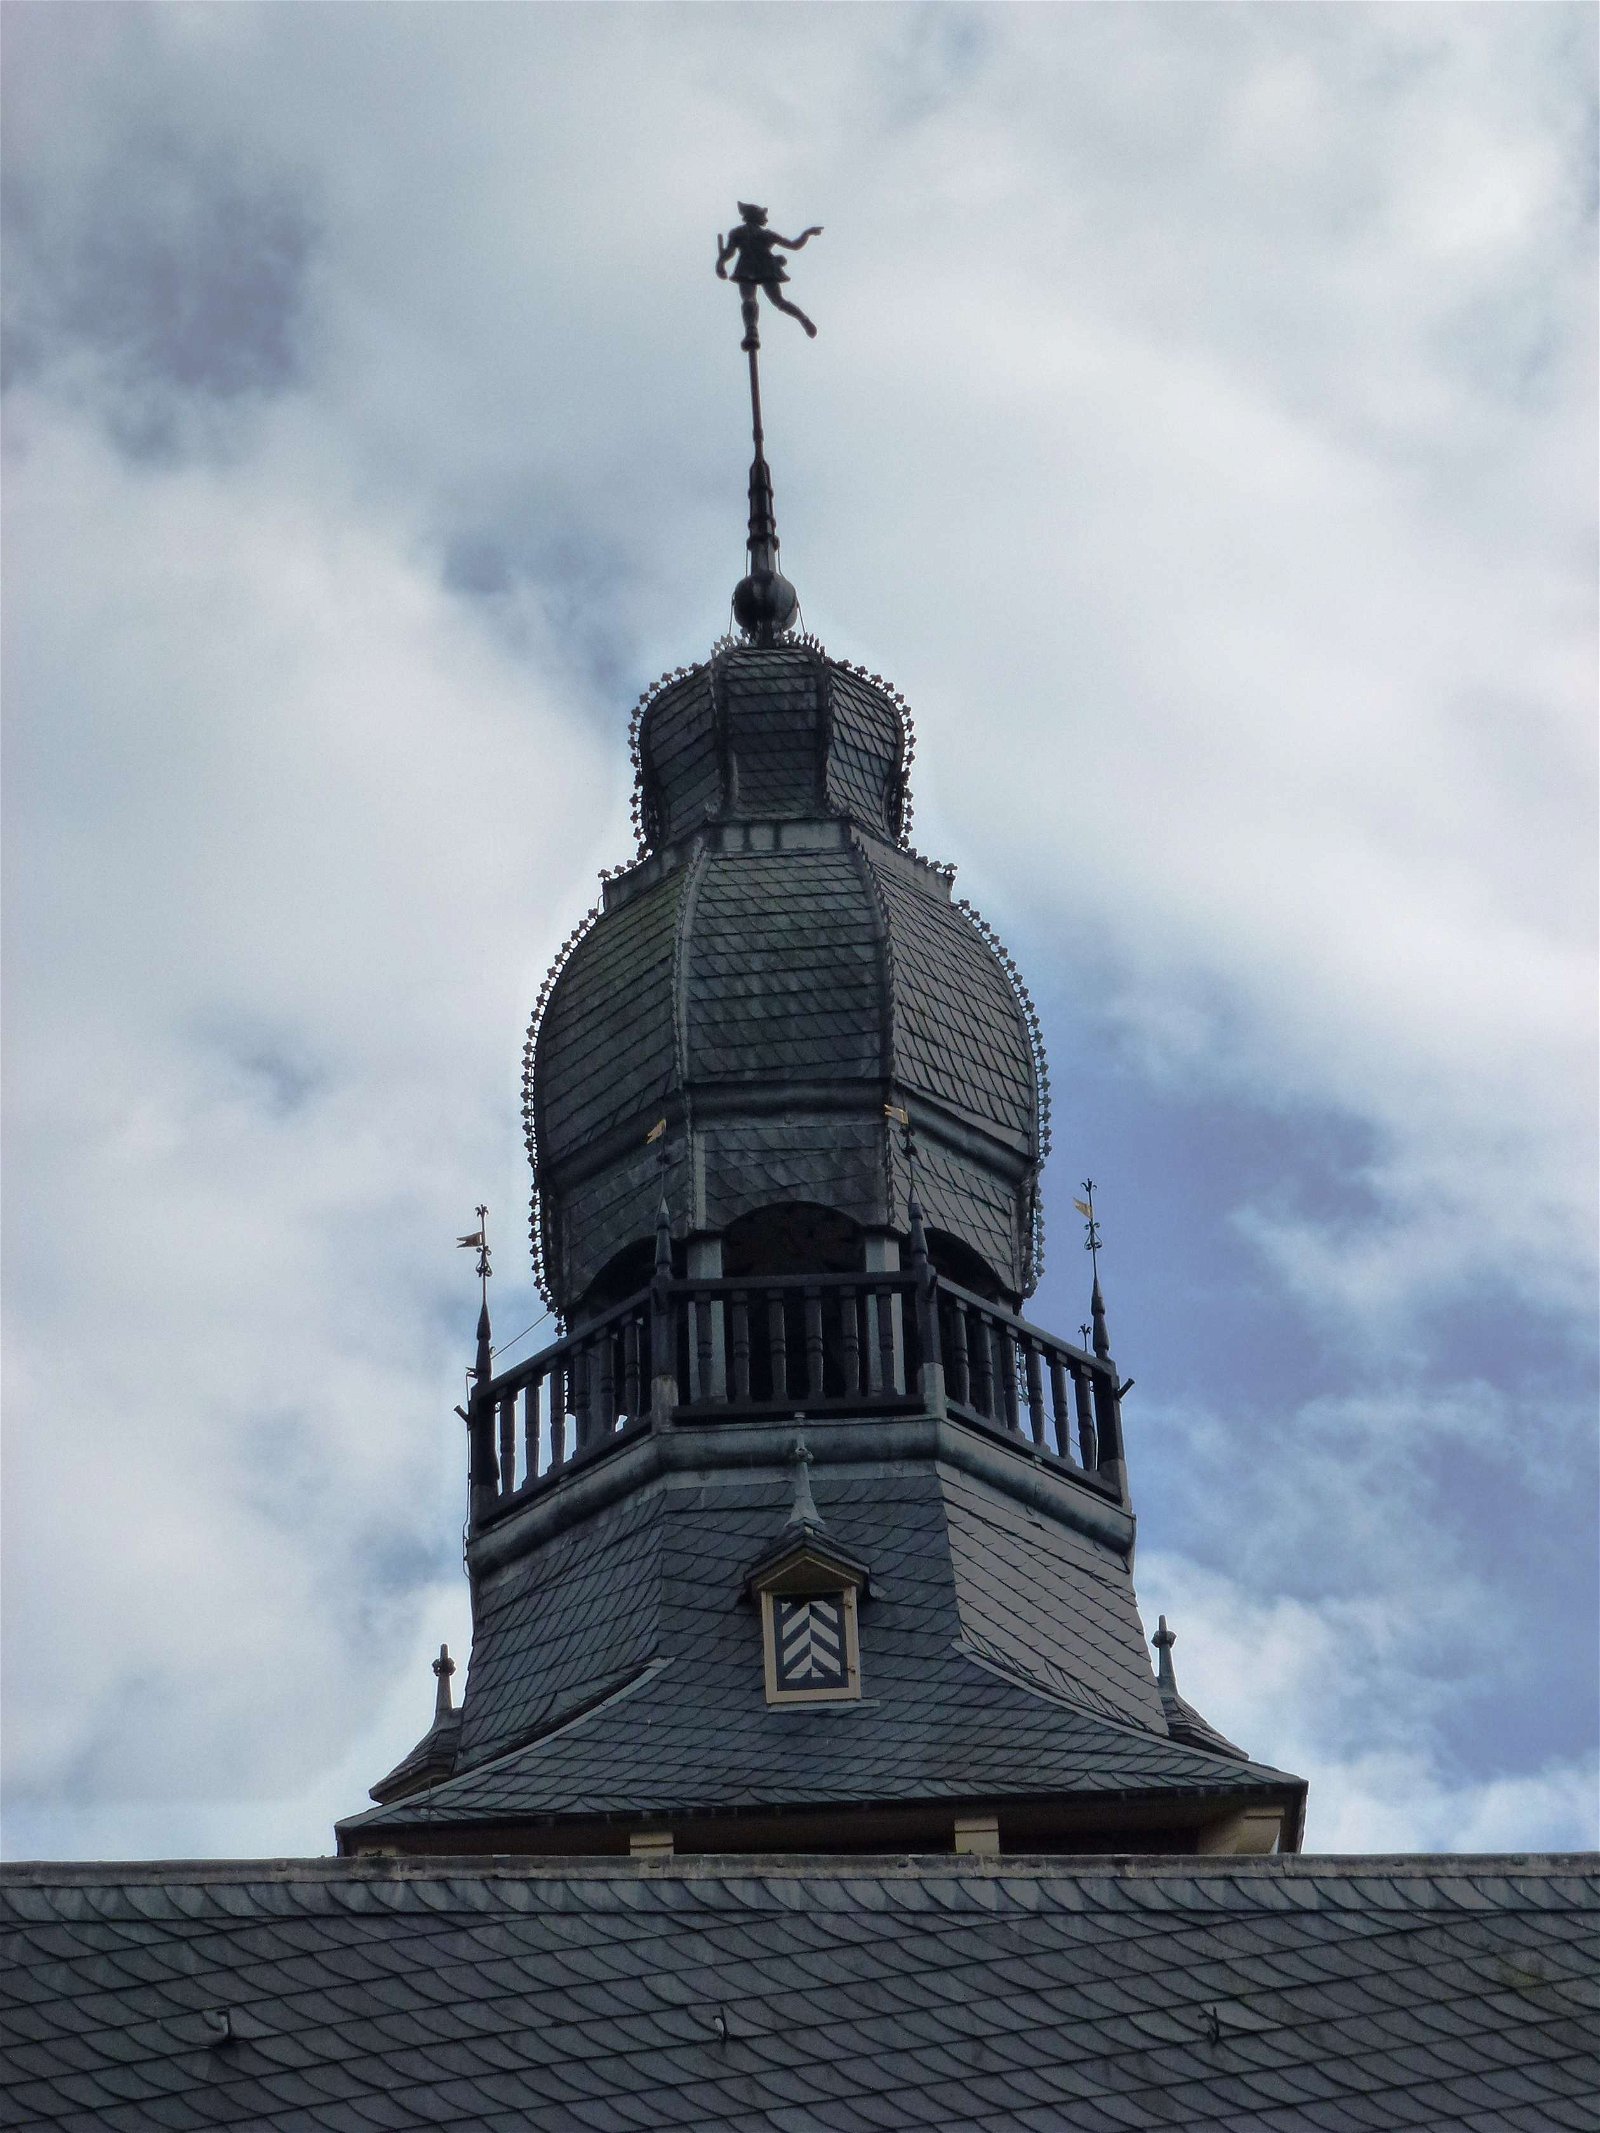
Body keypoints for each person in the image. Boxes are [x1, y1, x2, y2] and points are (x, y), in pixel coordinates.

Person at [716, 204, 823, 337]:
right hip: (758, 267)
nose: (765, 218)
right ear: (755, 216)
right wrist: (720, 263)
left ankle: (754, 329)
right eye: (763, 215)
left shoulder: (742, 232)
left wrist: (720, 263)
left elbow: (729, 253)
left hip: (754, 267)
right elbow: (794, 245)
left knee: (756, 300)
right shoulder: (756, 233)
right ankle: (752, 330)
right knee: (769, 300)